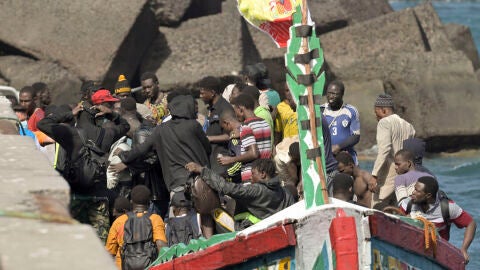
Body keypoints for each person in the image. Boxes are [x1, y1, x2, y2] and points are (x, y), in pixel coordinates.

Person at [38, 90, 130, 243]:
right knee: (100, 246)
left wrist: (69, 114)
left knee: (74, 242)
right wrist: (110, 114)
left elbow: (43, 123)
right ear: (98, 112)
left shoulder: (69, 133)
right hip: (99, 196)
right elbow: (125, 125)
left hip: (76, 196)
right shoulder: (108, 133)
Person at [185, 158, 295, 230]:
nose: (250, 177)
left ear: (263, 174)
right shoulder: (284, 191)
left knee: (216, 212)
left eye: (253, 174)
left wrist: (201, 170)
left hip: (255, 230)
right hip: (277, 228)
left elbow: (227, 188)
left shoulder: (256, 190)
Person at [398, 176, 476, 264]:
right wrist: (406, 219)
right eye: (414, 189)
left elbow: (471, 223)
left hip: (437, 253)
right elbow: (396, 224)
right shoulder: (407, 204)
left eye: (417, 191)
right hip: (410, 248)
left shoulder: (448, 208)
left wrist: (464, 249)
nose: (413, 192)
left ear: (428, 195)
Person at [105, 185, 167, 269]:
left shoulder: (119, 221)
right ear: (149, 202)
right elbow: (161, 246)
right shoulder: (155, 219)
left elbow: (109, 253)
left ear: (131, 202)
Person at [371, 94, 415, 207]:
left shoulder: (384, 122)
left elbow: (384, 150)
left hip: (388, 171)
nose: (377, 118)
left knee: (378, 206)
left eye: (377, 114)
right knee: (396, 209)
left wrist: (374, 175)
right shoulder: (409, 126)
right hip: (404, 171)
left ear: (384, 110)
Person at [222, 94, 272, 182]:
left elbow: (253, 153)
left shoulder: (247, 126)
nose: (235, 115)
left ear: (241, 109)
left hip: (252, 178)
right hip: (265, 175)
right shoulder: (264, 123)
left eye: (235, 111)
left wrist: (231, 160)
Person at [197, 76, 235, 176]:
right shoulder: (211, 109)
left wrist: (209, 138)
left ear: (213, 93)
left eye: (202, 93)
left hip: (222, 161)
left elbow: (232, 135)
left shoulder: (225, 109)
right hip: (212, 159)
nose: (200, 96)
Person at [321, 80, 360, 164]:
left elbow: (356, 136)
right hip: (326, 158)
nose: (331, 96)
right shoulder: (320, 111)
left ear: (342, 95)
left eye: (334, 94)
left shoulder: (351, 111)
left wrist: (338, 147)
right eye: (329, 93)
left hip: (346, 157)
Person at [273, 83, 299, 169]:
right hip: (287, 145)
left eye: (292, 89)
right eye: (287, 90)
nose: (289, 93)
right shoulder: (280, 107)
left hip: (300, 144)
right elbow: (278, 131)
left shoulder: (304, 106)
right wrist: (275, 148)